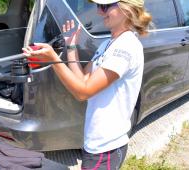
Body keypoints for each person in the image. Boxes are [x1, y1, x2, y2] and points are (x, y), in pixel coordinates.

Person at [23, 0, 152, 169]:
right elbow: (82, 79)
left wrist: (54, 60)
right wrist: (71, 46)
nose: (99, 12)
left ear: (126, 9)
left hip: (106, 148)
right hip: (97, 142)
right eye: (98, 6)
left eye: (105, 6)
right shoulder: (109, 43)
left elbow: (82, 92)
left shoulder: (125, 48)